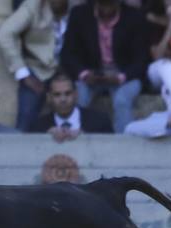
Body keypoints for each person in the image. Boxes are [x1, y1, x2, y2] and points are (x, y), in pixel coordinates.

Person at [59, 0, 149, 132]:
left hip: (125, 75)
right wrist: (84, 74)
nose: (106, 9)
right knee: (79, 98)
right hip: (90, 74)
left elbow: (142, 59)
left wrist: (120, 77)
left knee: (122, 100)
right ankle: (76, 141)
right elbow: (67, 54)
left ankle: (124, 145)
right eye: (102, 4)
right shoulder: (79, 14)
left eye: (110, 5)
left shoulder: (134, 17)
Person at [0, 0, 69, 131]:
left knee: (79, 106)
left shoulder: (76, 6)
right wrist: (23, 73)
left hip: (68, 70)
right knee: (26, 118)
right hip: (38, 69)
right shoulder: (33, 5)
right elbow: (5, 34)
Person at [29, 71, 114, 141]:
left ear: (76, 94)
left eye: (68, 93)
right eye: (57, 95)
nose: (63, 99)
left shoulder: (100, 122)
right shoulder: (37, 128)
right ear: (49, 97)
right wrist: (45, 138)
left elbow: (113, 152)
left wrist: (85, 137)